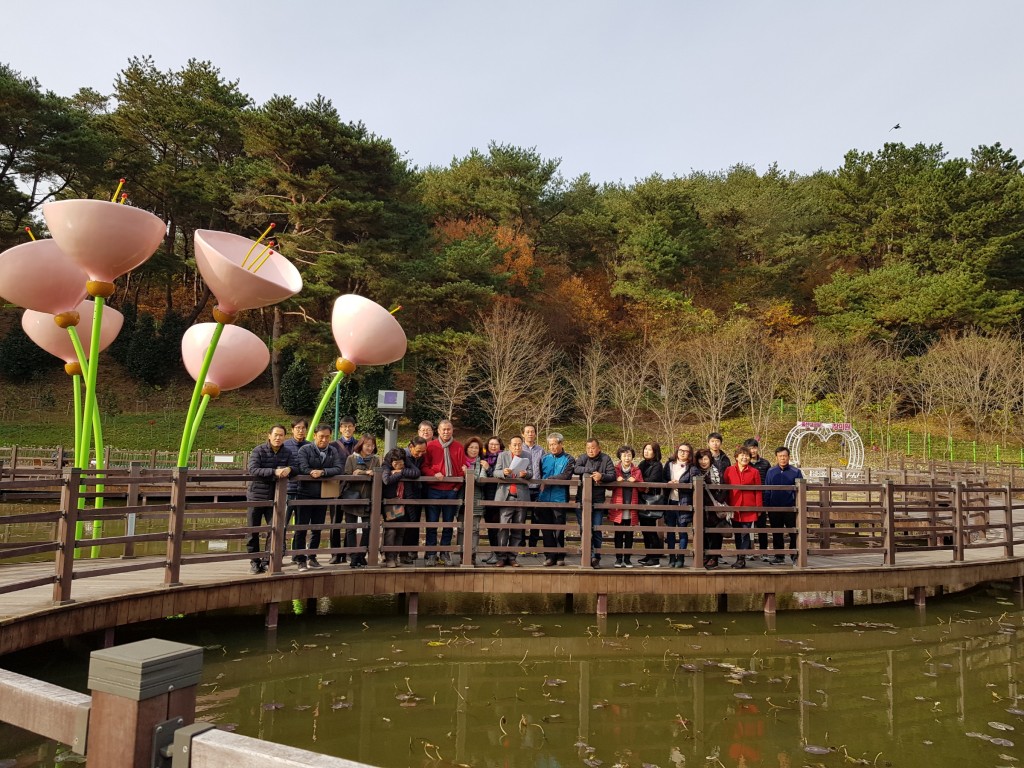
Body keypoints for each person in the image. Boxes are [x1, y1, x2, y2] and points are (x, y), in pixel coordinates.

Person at [245, 425, 294, 574]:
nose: (278, 438)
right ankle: (254, 561)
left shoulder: (287, 452)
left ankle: (267, 560)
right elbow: (253, 469)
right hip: (256, 495)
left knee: (274, 529)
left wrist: (289, 469)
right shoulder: (258, 450)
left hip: (275, 497)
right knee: (253, 530)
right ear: (269, 435)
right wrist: (274, 472)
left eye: (281, 435)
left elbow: (295, 466)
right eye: (275, 435)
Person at [295, 424, 344, 571]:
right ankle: (300, 558)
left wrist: (322, 472)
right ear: (315, 435)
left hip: (323, 494)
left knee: (317, 527)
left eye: (327, 437)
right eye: (321, 436)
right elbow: (302, 466)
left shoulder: (332, 450)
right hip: (304, 493)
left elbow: (338, 468)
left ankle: (312, 557)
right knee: (301, 527)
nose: (324, 439)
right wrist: (311, 472)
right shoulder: (305, 449)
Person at [422, 419, 466, 566]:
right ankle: (431, 553)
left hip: (451, 490)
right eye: (443, 429)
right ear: (438, 431)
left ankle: (445, 552)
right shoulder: (430, 446)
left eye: (449, 429)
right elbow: (424, 466)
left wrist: (455, 487)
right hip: (433, 489)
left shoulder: (458, 447)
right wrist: (434, 473)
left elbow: (462, 468)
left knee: (448, 524)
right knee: (432, 523)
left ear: (452, 430)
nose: (446, 432)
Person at [573, 438, 617, 567]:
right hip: (582, 500)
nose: (590, 450)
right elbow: (576, 468)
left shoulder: (606, 459)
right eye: (588, 448)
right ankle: (588, 555)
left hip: (598, 500)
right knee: (584, 529)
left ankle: (596, 557)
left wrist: (601, 476)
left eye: (593, 448)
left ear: (599, 448)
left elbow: (612, 475)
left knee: (596, 529)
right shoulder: (582, 458)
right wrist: (592, 471)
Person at [339, 434, 380, 568]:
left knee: (368, 528)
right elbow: (348, 474)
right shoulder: (351, 458)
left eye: (372, 445)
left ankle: (361, 555)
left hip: (368, 497)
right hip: (352, 496)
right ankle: (353, 556)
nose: (370, 448)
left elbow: (377, 474)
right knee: (351, 528)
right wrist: (366, 473)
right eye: (367, 445)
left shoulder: (375, 460)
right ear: (361, 445)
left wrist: (360, 472)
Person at [537, 433, 576, 566]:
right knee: (546, 528)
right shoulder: (544, 458)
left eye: (555, 444)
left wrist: (549, 480)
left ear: (561, 444)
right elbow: (539, 475)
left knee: (559, 528)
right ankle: (550, 555)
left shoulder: (569, 459)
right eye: (550, 444)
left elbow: (566, 476)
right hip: (544, 497)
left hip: (559, 498)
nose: (552, 447)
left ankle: (560, 555)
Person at [494, 436, 531, 566]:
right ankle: (501, 556)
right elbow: (495, 472)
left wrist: (525, 474)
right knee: (503, 527)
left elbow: (532, 473)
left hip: (521, 495)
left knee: (518, 528)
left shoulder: (527, 455)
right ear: (510, 446)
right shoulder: (502, 456)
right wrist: (503, 472)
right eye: (514, 445)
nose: (517, 447)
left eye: (519, 445)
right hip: (506, 495)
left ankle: (512, 556)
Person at [723, 446, 762, 569]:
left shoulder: (754, 472)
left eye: (747, 456)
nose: (745, 457)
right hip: (734, 506)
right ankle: (740, 557)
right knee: (737, 533)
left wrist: (758, 507)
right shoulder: (729, 470)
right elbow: (725, 489)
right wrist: (726, 505)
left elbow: (758, 491)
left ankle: (741, 558)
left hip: (749, 507)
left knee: (745, 533)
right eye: (742, 455)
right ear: (736, 457)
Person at [763, 446, 804, 564]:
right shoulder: (771, 472)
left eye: (785, 456)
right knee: (777, 532)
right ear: (776, 457)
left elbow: (800, 491)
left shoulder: (796, 471)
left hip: (791, 508)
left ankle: (794, 554)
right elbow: (767, 490)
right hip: (774, 507)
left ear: (789, 457)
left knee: (794, 532)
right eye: (780, 456)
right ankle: (779, 556)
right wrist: (767, 505)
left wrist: (797, 506)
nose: (783, 458)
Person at [664, 443, 700, 568]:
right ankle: (671, 557)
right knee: (670, 531)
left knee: (683, 530)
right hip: (670, 500)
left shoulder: (692, 468)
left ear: (690, 454)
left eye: (686, 451)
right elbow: (662, 480)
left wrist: (680, 484)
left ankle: (681, 557)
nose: (683, 453)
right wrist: (668, 483)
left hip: (683, 501)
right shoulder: (669, 465)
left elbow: (695, 485)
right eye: (681, 450)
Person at [381, 447, 418, 568]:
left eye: (400, 463)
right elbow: (386, 480)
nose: (398, 465)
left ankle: (395, 555)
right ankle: (389, 557)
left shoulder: (407, 463)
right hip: (392, 503)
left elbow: (416, 472)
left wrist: (400, 472)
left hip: (405, 502)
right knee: (391, 531)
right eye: (395, 463)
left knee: (401, 531)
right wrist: (399, 473)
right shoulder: (385, 465)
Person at [609, 445, 642, 567]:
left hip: (632, 505)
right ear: (620, 457)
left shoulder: (637, 470)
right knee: (618, 533)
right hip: (618, 505)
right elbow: (609, 486)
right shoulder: (615, 469)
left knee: (629, 533)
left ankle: (627, 559)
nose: (627, 458)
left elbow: (643, 488)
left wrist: (637, 481)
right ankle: (618, 558)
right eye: (624, 455)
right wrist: (616, 481)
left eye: (629, 455)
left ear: (632, 457)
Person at [282, 418, 310, 563]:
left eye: (303, 428)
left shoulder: (310, 446)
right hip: (286, 491)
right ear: (292, 429)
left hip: (304, 491)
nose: (300, 430)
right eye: (297, 428)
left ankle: (297, 554)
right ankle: (278, 554)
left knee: (301, 526)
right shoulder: (285, 445)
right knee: (281, 524)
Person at [695, 448, 727, 569]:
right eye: (700, 459)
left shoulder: (717, 471)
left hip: (715, 508)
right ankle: (704, 555)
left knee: (715, 533)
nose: (703, 461)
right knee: (702, 532)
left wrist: (719, 500)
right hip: (701, 507)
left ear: (710, 459)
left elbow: (724, 488)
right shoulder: (696, 472)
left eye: (705, 459)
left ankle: (714, 557)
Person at [400, 436, 428, 564]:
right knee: (400, 525)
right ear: (410, 447)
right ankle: (393, 553)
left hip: (416, 494)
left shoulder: (420, 457)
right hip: (402, 495)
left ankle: (409, 552)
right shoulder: (402, 455)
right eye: (418, 451)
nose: (420, 454)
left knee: (413, 524)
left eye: (423, 451)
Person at [637, 442, 666, 567]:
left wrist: (641, 481)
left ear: (655, 452)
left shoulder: (657, 465)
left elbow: (653, 479)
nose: (646, 451)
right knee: (645, 529)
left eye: (649, 449)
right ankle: (649, 554)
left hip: (652, 499)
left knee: (651, 529)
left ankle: (655, 558)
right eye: (645, 449)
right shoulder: (643, 464)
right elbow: (636, 475)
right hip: (642, 498)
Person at [462, 436, 489, 565]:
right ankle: (462, 553)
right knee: (462, 528)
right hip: (461, 499)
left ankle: (471, 555)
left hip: (476, 500)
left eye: (476, 448)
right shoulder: (460, 461)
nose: (473, 450)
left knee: (474, 529)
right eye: (471, 447)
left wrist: (468, 473)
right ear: (466, 448)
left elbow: (481, 481)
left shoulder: (482, 463)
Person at [744, 438, 772, 558]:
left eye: (754, 447)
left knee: (761, 526)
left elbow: (769, 480)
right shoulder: (744, 462)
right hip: (748, 500)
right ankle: (749, 551)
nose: (753, 450)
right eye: (750, 448)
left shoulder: (765, 463)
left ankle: (763, 551)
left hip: (762, 499)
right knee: (748, 526)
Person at [480, 436, 504, 564]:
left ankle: (499, 553)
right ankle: (493, 551)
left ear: (500, 446)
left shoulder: (503, 457)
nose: (493, 446)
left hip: (499, 495)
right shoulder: (484, 458)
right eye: (491, 444)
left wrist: (488, 468)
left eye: (496, 444)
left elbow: (499, 475)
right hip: (487, 495)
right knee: (490, 526)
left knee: (497, 526)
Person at [521, 424, 545, 553]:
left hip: (537, 488)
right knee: (521, 517)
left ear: (535, 434)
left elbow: (544, 468)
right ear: (523, 434)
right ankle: (520, 545)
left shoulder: (541, 450)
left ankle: (533, 545)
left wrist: (543, 483)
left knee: (536, 518)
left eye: (532, 432)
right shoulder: (519, 449)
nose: (530, 434)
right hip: (523, 488)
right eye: (528, 432)